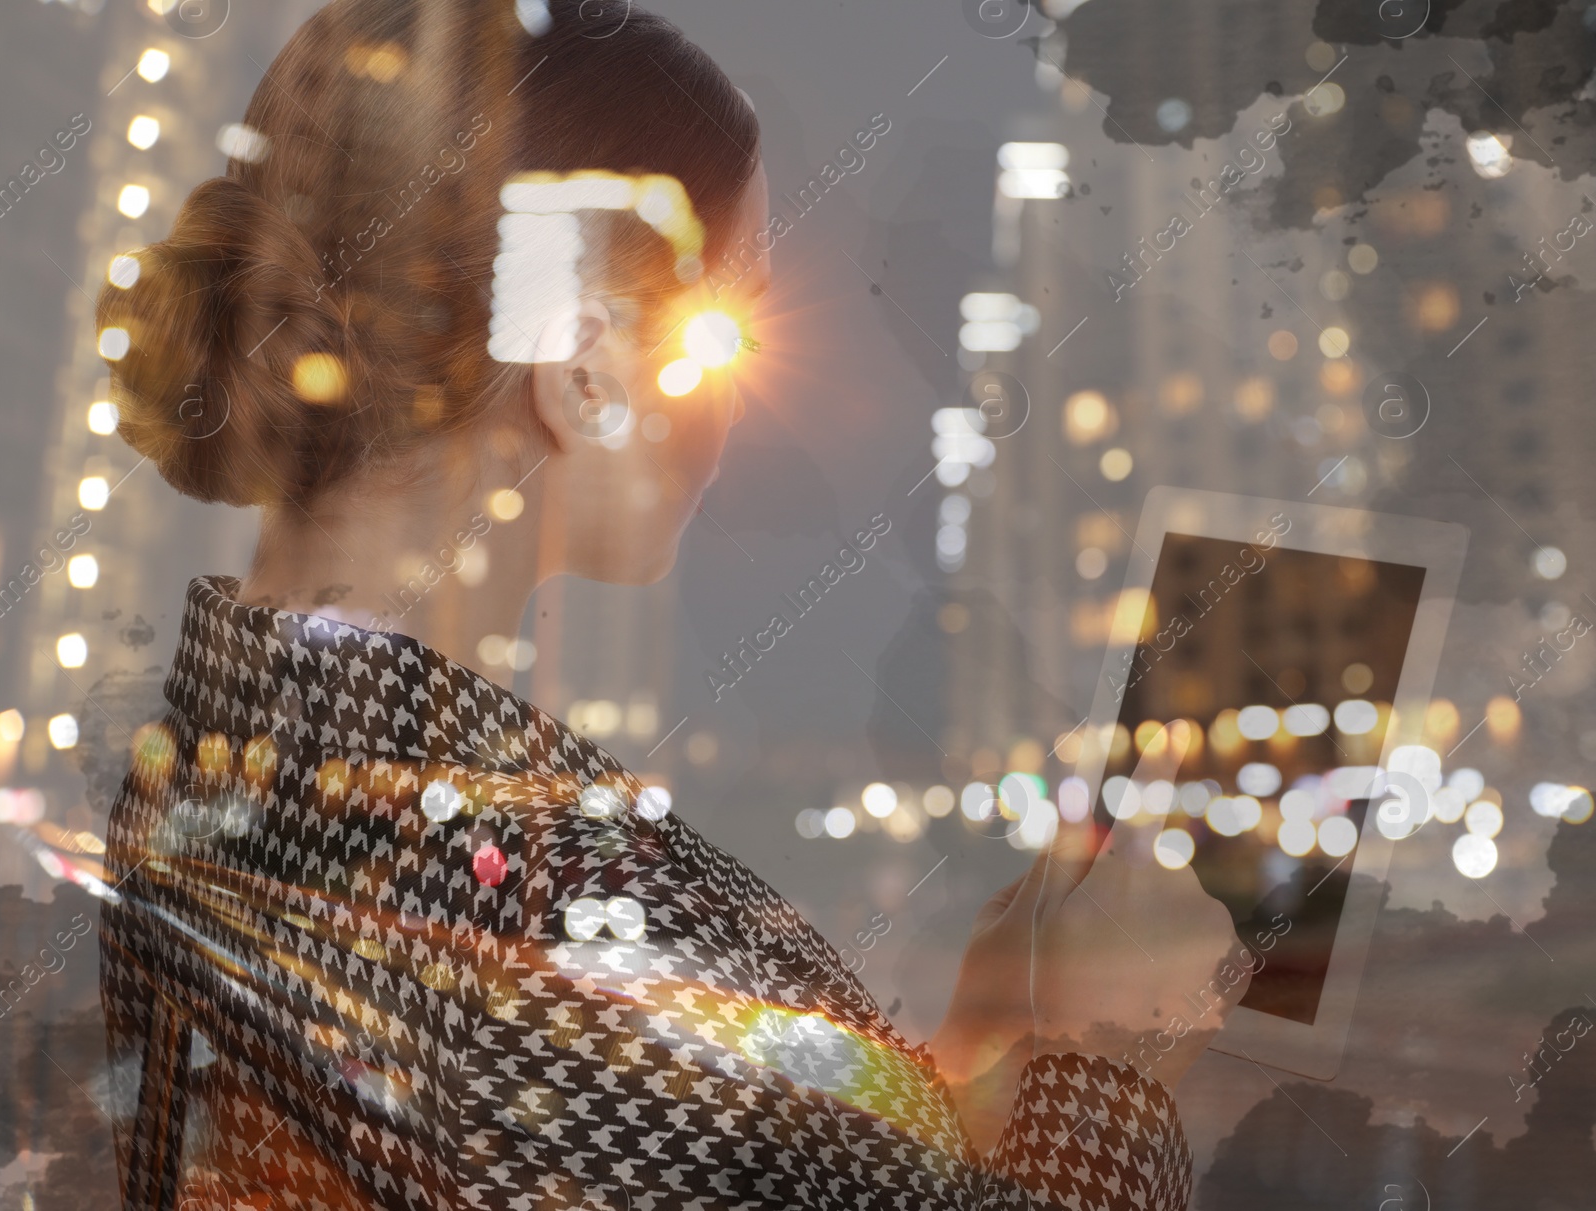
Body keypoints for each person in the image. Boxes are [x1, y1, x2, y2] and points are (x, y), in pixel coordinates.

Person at [94, 2, 1246, 1207]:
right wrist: (1114, 1057)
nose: (739, 397)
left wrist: (958, 1061)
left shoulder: (199, 764)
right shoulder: (543, 919)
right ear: (585, 366)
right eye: (727, 321)